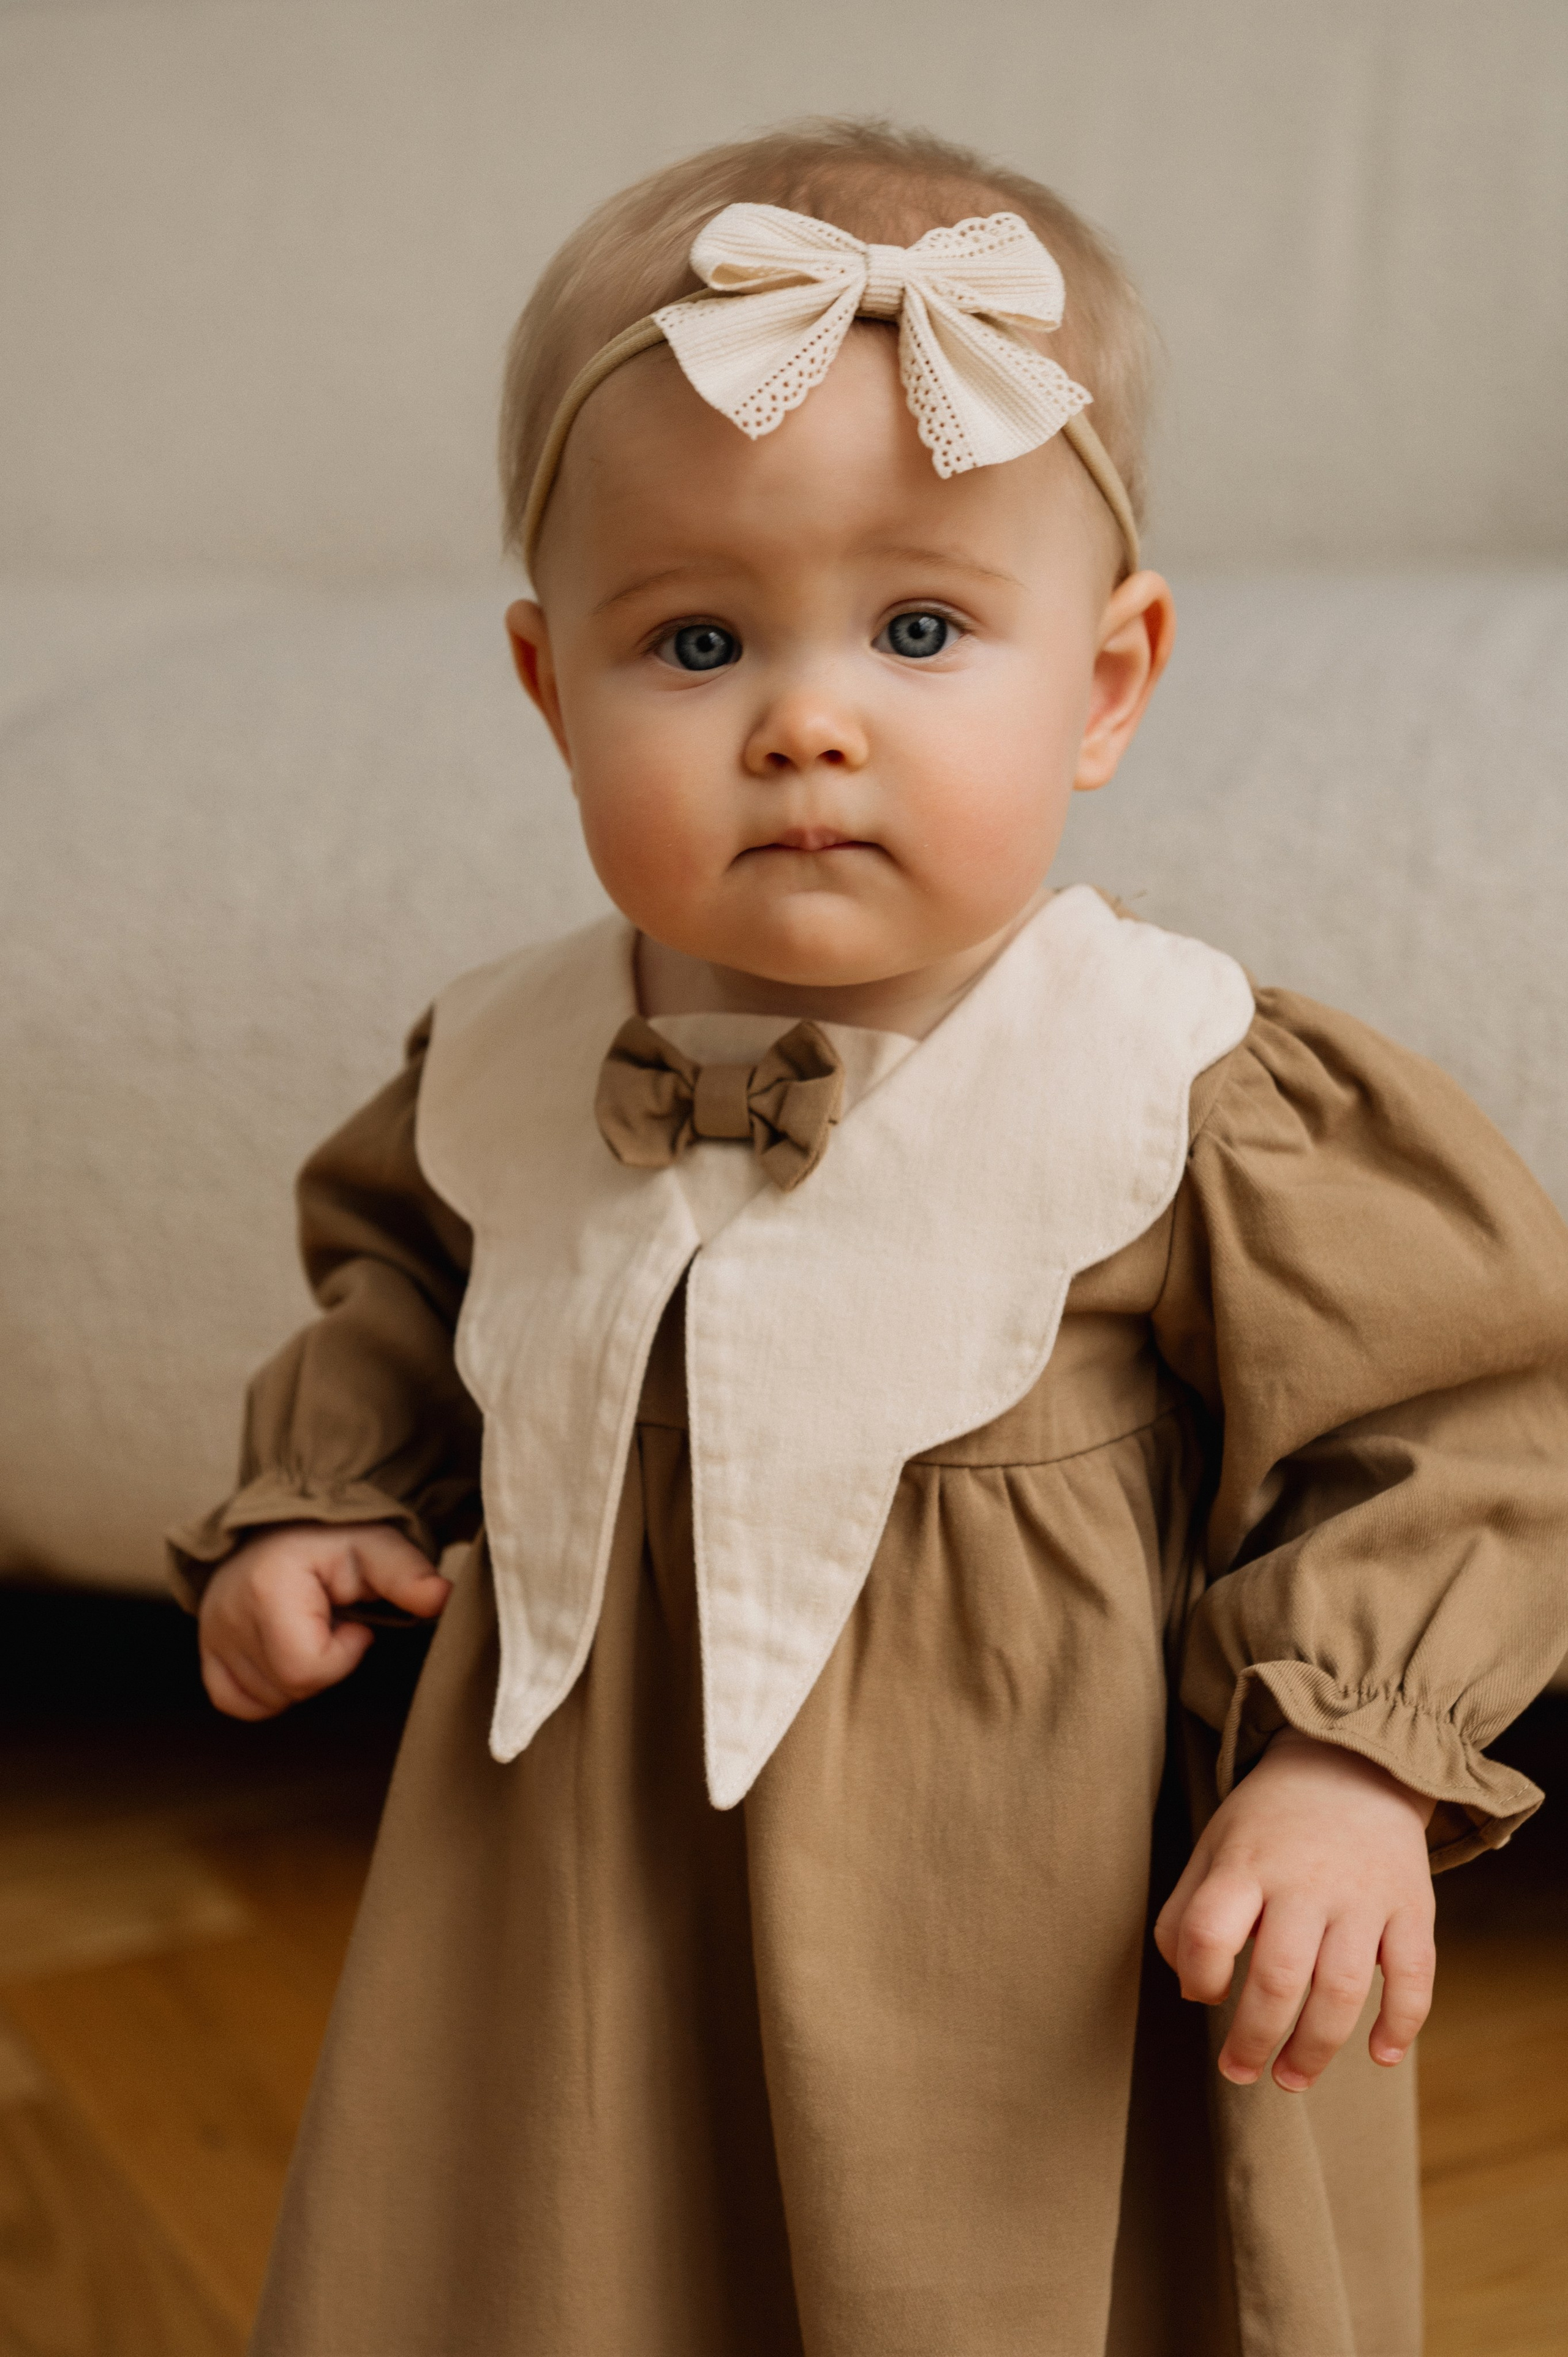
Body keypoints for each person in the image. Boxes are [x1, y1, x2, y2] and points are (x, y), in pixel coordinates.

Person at [173, 120, 1568, 2356]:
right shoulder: (510, 1058)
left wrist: (1347, 1761)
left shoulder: (1184, 1083)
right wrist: (332, 1494)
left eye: (922, 628)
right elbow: (411, 1289)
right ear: (549, 690)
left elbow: (1469, 1430)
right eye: (696, 638)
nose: (806, 721)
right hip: (576, 1889)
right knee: (563, 2248)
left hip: (1027, 1927)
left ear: (1105, 681)